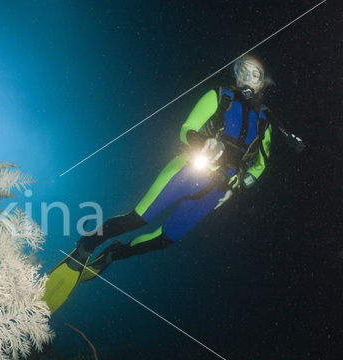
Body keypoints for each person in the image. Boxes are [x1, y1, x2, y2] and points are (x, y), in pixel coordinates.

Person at [43, 54, 276, 314]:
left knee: (165, 239)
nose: (245, 78)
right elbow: (187, 128)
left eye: (254, 74)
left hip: (216, 191)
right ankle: (85, 247)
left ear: (263, 83)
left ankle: (114, 254)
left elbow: (260, 166)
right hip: (187, 170)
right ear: (234, 74)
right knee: (137, 219)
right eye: (241, 71)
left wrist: (237, 187)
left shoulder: (265, 123)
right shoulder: (219, 96)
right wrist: (202, 142)